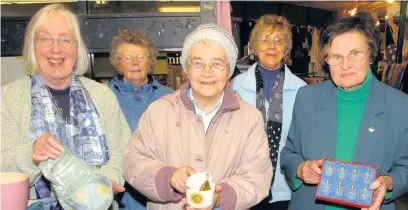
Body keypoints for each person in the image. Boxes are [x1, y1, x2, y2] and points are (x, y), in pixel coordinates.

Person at [123, 23, 273, 210]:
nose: (207, 72)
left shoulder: (250, 119)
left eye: (217, 64)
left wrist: (220, 196)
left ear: (229, 69)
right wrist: (168, 177)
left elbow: (257, 176)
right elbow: (133, 162)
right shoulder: (159, 111)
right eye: (198, 63)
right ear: (186, 69)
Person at [1, 4, 130, 209]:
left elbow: (122, 152)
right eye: (45, 39)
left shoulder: (102, 96)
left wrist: (102, 186)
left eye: (65, 39)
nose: (55, 48)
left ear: (77, 47)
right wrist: (31, 154)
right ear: (32, 46)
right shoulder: (8, 98)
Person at [280, 13, 408, 210]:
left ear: (371, 54)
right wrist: (300, 168)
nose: (345, 65)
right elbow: (289, 153)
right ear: (326, 59)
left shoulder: (399, 105)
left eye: (355, 54)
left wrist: (389, 183)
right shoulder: (307, 97)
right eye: (336, 57)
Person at [232, 14, 306, 210]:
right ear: (254, 46)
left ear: (286, 47)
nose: (272, 46)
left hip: (286, 188)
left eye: (278, 40)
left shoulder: (302, 90)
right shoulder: (235, 86)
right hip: (245, 184)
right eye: (264, 39)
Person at [108, 30, 174, 209]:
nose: (135, 63)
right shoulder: (105, 96)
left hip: (162, 188)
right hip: (120, 190)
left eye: (140, 56)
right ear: (118, 64)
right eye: (128, 58)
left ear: (150, 61)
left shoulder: (169, 97)